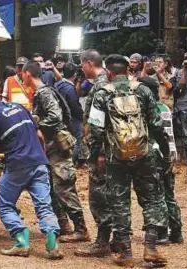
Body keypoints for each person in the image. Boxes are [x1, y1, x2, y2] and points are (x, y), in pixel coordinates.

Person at [89, 54, 168, 267]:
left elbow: (95, 131)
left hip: (116, 157)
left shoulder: (102, 93)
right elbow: (157, 125)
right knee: (152, 198)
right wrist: (165, 153)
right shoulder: (142, 90)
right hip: (144, 154)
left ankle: (125, 252)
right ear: (128, 70)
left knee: (119, 202)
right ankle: (150, 247)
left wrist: (94, 158)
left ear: (108, 72)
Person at [0, 82, 63, 260]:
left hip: (18, 165)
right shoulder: (18, 107)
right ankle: (52, 244)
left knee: (5, 205)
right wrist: (40, 155)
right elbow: (39, 135)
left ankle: (22, 241)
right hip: (39, 163)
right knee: (44, 205)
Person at [22, 61, 90, 243]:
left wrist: (36, 124)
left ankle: (81, 229)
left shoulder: (44, 93)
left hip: (57, 148)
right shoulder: (41, 92)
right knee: (51, 187)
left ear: (28, 74)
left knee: (64, 188)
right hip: (49, 149)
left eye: (22, 74)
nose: (21, 77)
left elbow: (55, 116)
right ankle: (63, 225)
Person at [75, 49, 115, 258]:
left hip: (101, 149)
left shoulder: (100, 86)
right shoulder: (109, 80)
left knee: (99, 196)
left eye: (82, 64)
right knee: (113, 193)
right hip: (112, 149)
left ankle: (102, 241)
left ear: (90, 63)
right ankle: (117, 239)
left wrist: (97, 152)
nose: (81, 68)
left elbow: (99, 122)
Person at [138, 76, 184, 246]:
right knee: (169, 195)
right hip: (169, 155)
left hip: (157, 156)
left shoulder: (149, 109)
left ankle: (162, 232)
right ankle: (177, 232)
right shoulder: (164, 106)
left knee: (157, 196)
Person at [53, 63, 88, 166]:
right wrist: (82, 116)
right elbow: (74, 106)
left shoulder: (57, 85)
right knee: (77, 138)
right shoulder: (69, 88)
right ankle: (72, 162)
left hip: (60, 117)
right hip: (71, 118)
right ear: (75, 74)